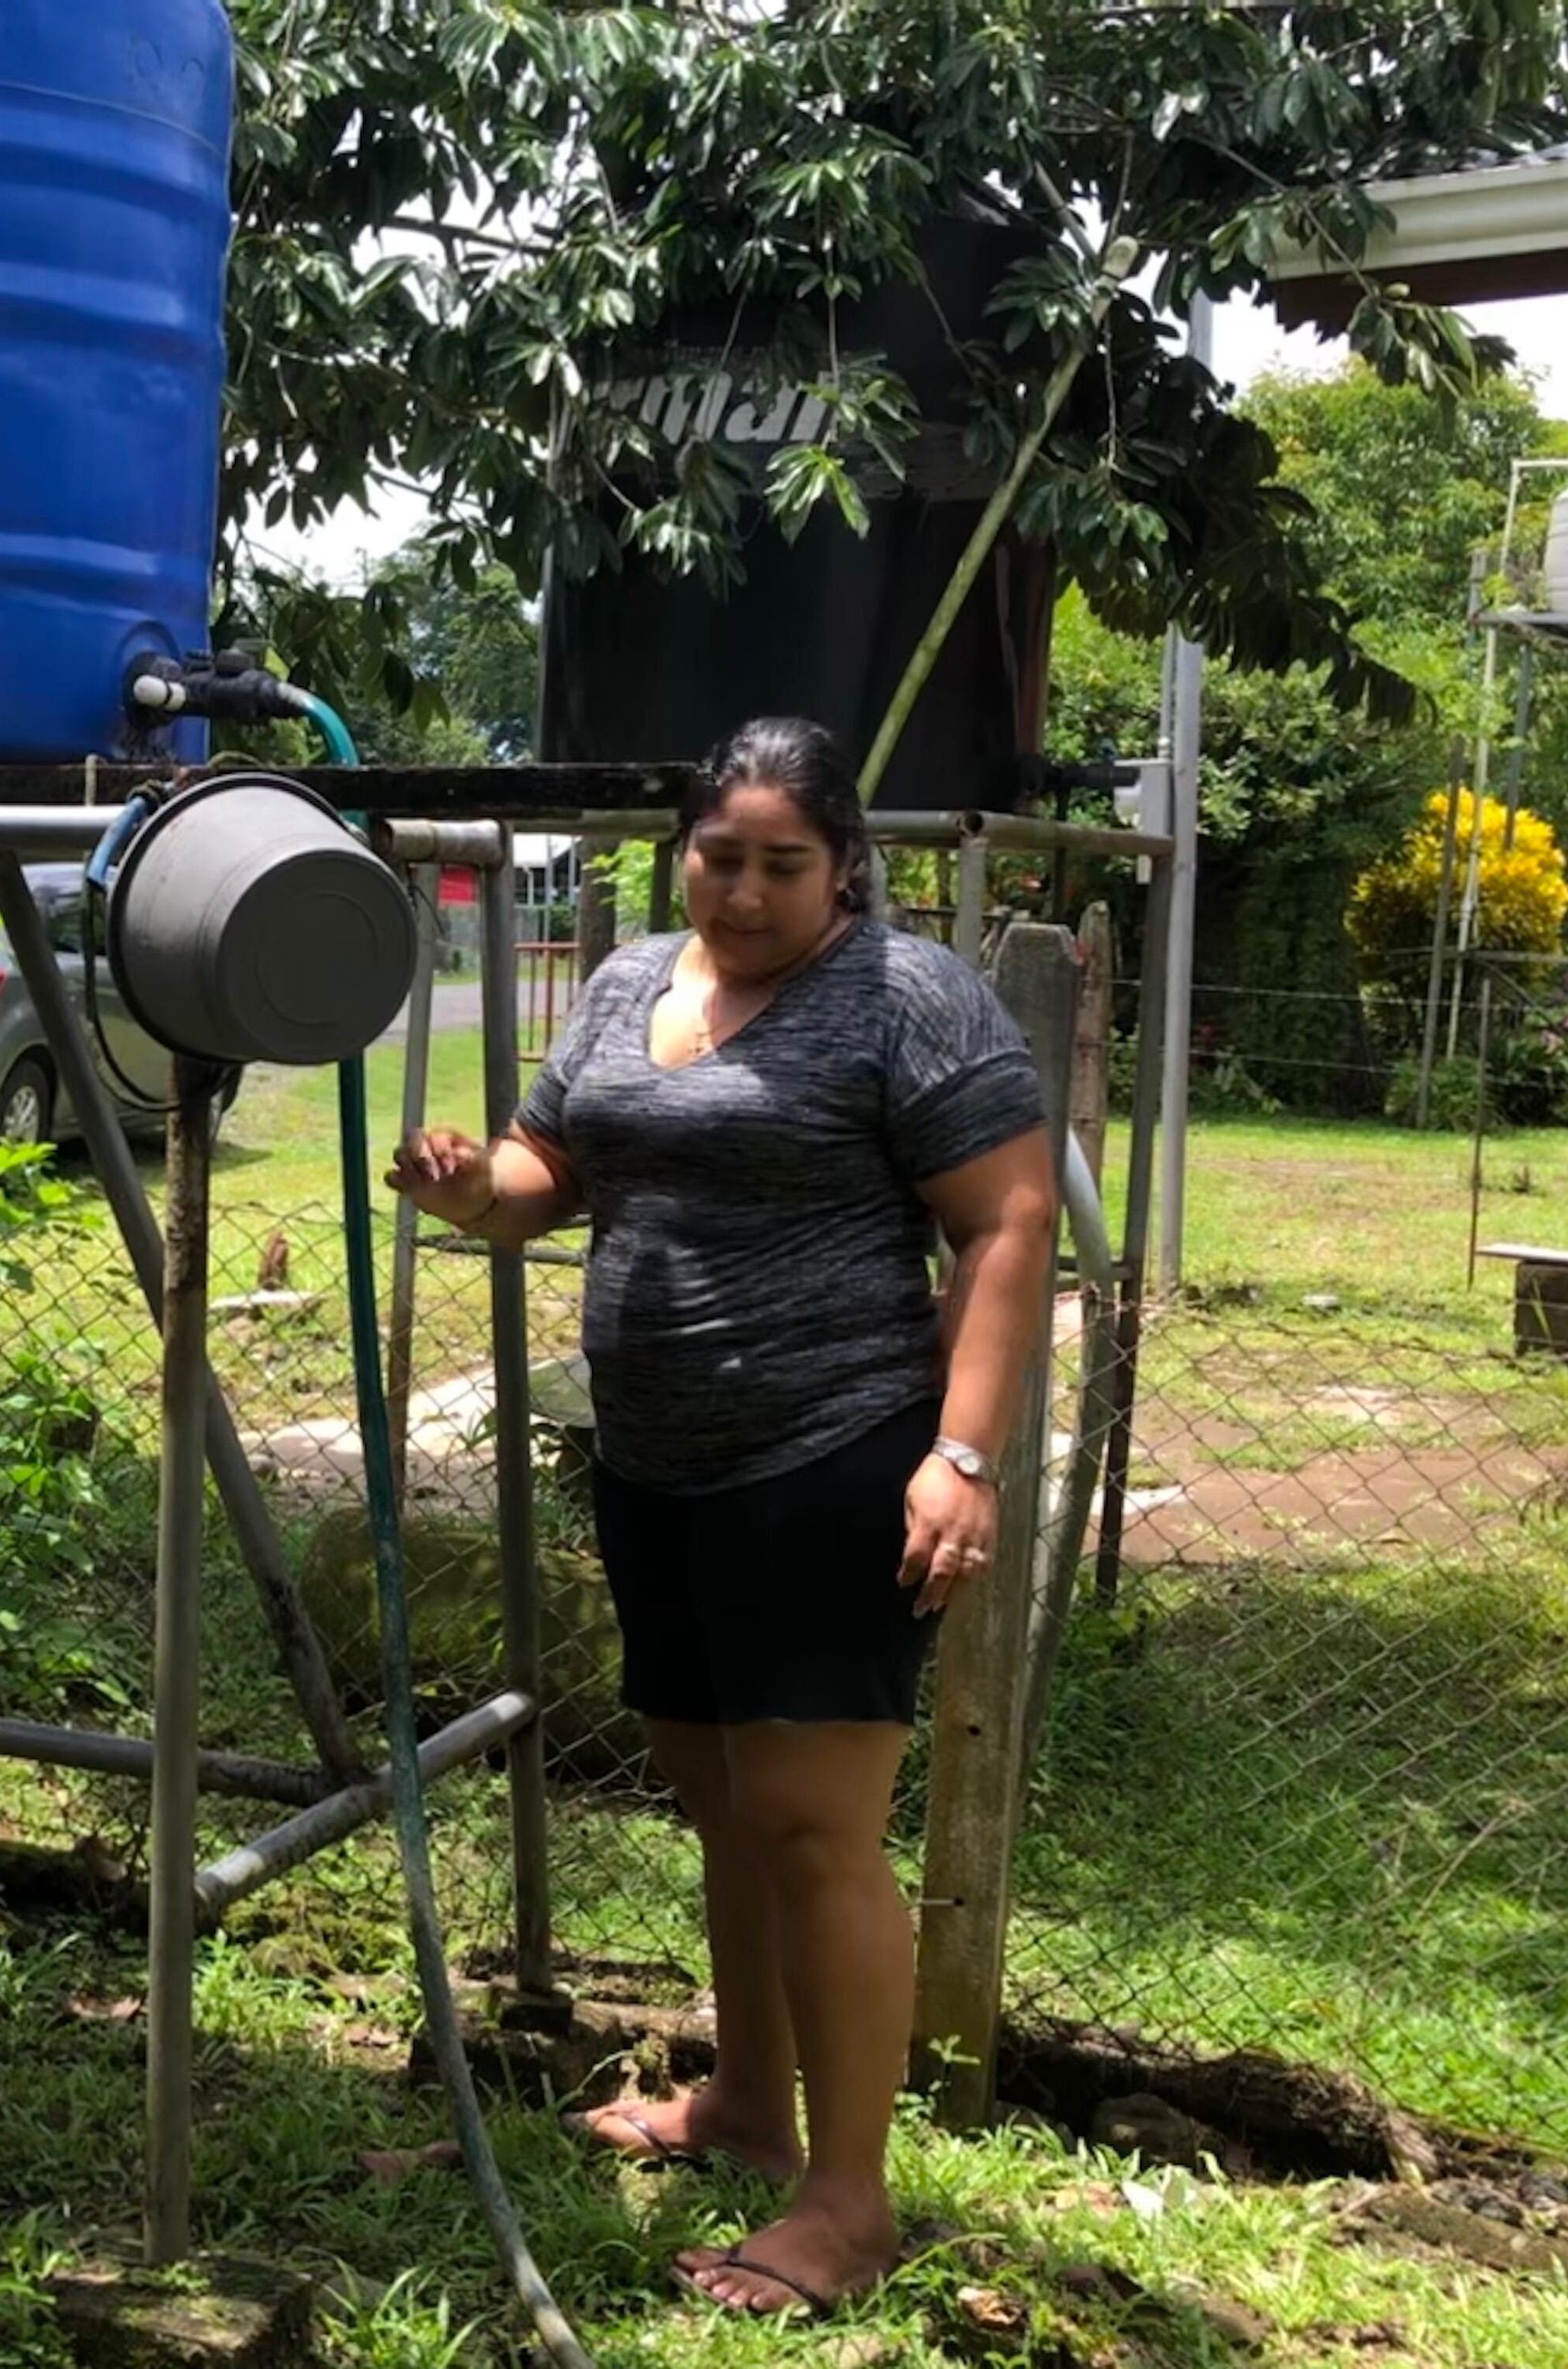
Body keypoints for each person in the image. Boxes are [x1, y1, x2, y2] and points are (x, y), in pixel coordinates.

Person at [388, 716, 1057, 2320]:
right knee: (724, 1807)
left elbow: (1010, 1222)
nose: (744, 890)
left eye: (782, 863)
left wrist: (961, 1460)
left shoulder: (907, 1000)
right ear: (681, 848)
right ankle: (749, 2110)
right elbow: (557, 1166)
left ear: (842, 870)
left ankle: (849, 2203)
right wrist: (474, 1186)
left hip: (834, 1456)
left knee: (818, 1829)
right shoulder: (629, 981)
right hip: (659, 1467)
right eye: (720, 856)